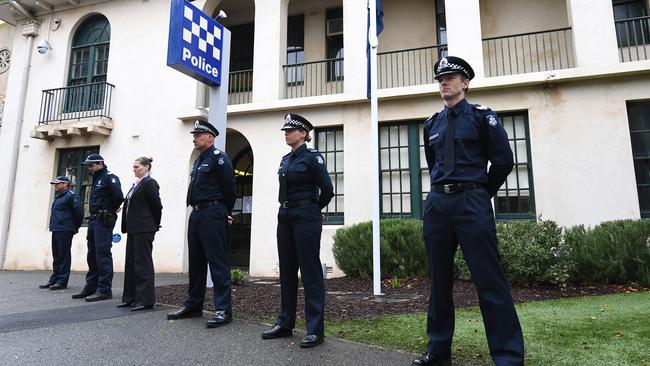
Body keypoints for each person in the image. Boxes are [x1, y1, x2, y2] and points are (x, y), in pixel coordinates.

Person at [412, 56, 525, 366]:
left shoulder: (482, 117)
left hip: (471, 202)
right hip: (438, 204)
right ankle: (438, 350)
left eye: (450, 77)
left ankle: (508, 357)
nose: (444, 82)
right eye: (440, 79)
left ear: (465, 83)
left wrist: (480, 192)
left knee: (489, 279)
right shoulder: (431, 124)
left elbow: (503, 161)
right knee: (438, 280)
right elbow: (434, 165)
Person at [260, 113, 334, 348]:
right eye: (285, 130)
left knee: (310, 273)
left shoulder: (313, 158)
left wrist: (313, 209)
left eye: (291, 130)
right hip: (285, 217)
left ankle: (315, 330)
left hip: (305, 217)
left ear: (303, 133)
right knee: (287, 271)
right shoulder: (285, 159)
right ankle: (285, 323)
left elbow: (327, 190)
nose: (286, 133)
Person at [167, 120, 236, 328]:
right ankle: (194, 305)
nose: (194, 137)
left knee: (217, 263)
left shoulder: (218, 158)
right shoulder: (198, 160)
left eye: (198, 134)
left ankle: (223, 309)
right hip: (196, 214)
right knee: (196, 263)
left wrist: (224, 212)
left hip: (213, 213)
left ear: (210, 138)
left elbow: (230, 189)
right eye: (194, 134)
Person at [71, 153, 124, 302]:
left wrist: (109, 210)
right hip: (94, 220)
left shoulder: (109, 177)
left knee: (102, 254)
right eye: (88, 165)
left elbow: (119, 197)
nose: (89, 168)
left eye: (91, 165)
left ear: (100, 164)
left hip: (103, 219)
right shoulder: (95, 179)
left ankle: (104, 289)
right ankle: (91, 287)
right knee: (92, 255)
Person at [117, 157, 162, 311]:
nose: (134, 169)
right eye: (133, 167)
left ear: (146, 167)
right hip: (133, 228)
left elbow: (157, 206)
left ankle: (145, 300)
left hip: (144, 228)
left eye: (137, 167)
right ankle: (130, 297)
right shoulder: (135, 184)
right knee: (131, 263)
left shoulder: (150, 183)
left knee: (143, 263)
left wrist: (153, 225)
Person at [39, 176, 83, 291]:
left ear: (65, 184)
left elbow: (78, 213)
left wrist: (74, 227)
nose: (55, 186)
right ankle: (54, 279)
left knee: (63, 255)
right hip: (57, 228)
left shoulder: (71, 196)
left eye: (57, 184)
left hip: (65, 229)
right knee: (57, 255)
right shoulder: (59, 197)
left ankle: (62, 281)